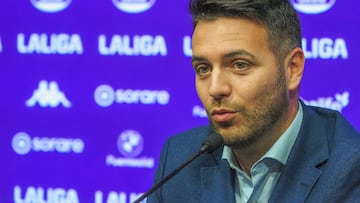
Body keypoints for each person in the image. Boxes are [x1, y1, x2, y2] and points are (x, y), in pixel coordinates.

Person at [147, 0, 360, 202]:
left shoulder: (350, 168)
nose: (216, 88)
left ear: (293, 69)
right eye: (203, 69)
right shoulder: (179, 159)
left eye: (240, 65)